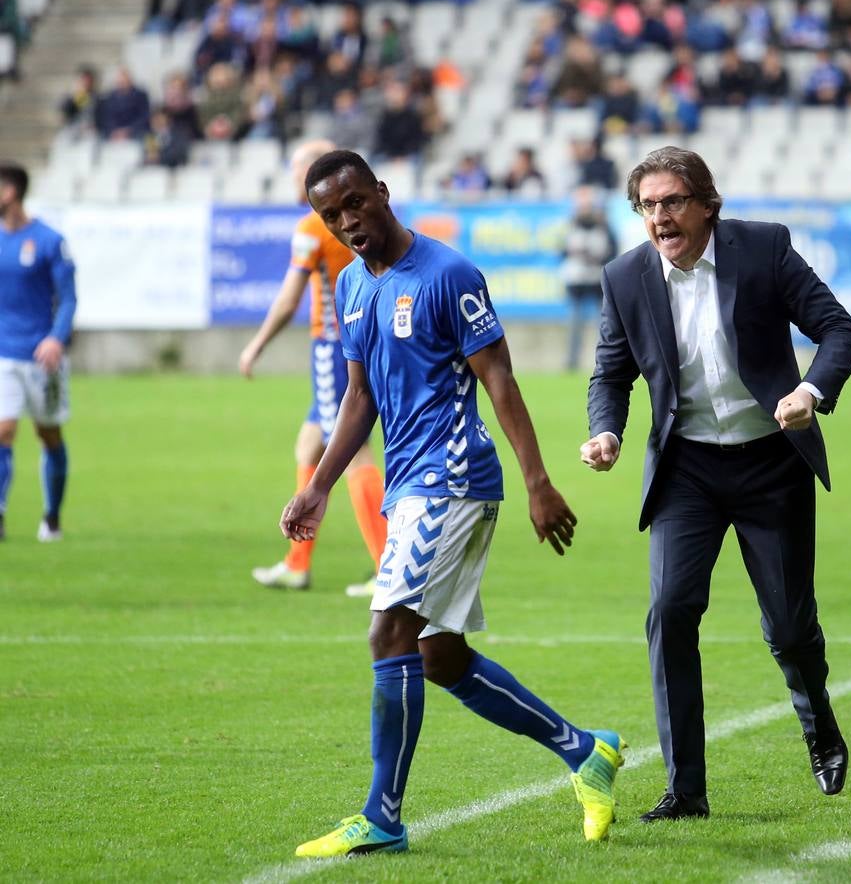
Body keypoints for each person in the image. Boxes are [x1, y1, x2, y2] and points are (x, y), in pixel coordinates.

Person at [281, 150, 625, 856]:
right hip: (408, 481)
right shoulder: (350, 285)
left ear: (382, 192)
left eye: (355, 203)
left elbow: (498, 378)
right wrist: (317, 484)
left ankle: (382, 817)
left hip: (453, 474)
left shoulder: (448, 274)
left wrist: (538, 482)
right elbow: (359, 397)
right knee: (437, 656)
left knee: (387, 634)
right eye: (331, 215)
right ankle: (585, 751)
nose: (348, 222)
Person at [582, 147, 851, 821]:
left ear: (707, 205)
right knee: (670, 611)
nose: (660, 217)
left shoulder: (763, 249)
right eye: (647, 205)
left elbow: (838, 331)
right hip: (687, 470)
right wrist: (607, 431)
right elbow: (610, 373)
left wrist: (809, 392)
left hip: (771, 461)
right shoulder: (624, 277)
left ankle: (819, 725)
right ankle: (686, 788)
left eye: (673, 201)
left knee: (789, 628)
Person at [239, 140, 387, 597]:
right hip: (368, 339)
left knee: (354, 450)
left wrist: (257, 344)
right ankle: (297, 563)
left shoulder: (312, 227)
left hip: (334, 345)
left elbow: (290, 298)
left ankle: (388, 566)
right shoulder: (367, 219)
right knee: (309, 445)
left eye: (297, 168)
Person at [0, 162, 76, 543]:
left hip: (41, 356)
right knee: (4, 430)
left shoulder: (49, 241)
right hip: (4, 353)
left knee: (48, 435)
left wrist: (56, 338)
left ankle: (52, 516)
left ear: (11, 191)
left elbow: (69, 298)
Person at [561, 186, 617, 371]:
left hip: (596, 282)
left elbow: (612, 252)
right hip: (576, 282)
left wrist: (595, 258)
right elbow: (562, 251)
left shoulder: (604, 227)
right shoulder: (571, 226)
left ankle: (604, 361)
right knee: (574, 325)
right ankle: (572, 361)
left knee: (602, 326)